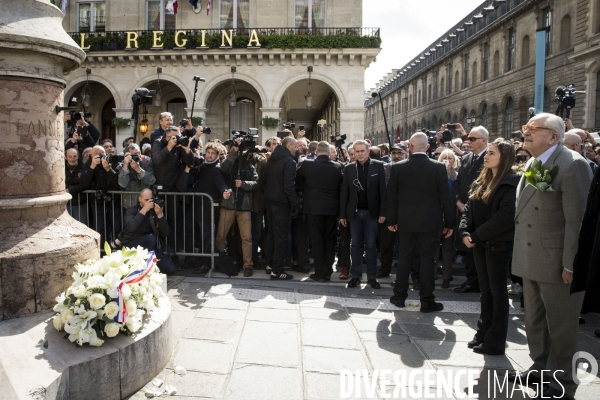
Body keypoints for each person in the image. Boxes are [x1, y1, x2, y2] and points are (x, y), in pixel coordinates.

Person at [509, 113, 593, 399]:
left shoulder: (573, 165)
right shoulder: (536, 161)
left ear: (554, 137)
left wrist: (572, 264)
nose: (526, 132)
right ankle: (540, 367)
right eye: (526, 127)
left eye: (534, 128)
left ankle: (564, 383)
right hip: (532, 259)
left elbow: (577, 222)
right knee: (534, 321)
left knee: (561, 326)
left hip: (557, 263)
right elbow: (536, 203)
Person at [458, 140, 519, 355]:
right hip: (479, 245)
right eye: (487, 153)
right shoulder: (481, 180)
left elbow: (504, 217)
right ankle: (483, 333)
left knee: (498, 293)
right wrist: (465, 232)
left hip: (497, 246)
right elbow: (468, 210)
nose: (486, 156)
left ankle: (495, 341)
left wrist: (475, 235)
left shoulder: (511, 182)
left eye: (491, 153)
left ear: (504, 158)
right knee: (486, 292)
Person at [387, 133, 454, 312]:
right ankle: (427, 300)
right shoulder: (438, 167)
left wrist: (392, 220)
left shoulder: (398, 167)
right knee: (427, 261)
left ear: (410, 146)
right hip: (430, 222)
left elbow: (392, 197)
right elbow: (445, 198)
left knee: (404, 259)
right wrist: (450, 223)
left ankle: (399, 296)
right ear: (427, 147)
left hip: (406, 222)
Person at [339, 140, 387, 289]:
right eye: (356, 151)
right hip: (354, 213)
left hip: (371, 213)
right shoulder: (349, 169)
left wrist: (383, 212)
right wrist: (342, 215)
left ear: (368, 151)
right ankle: (356, 276)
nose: (359, 154)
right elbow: (344, 193)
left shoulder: (378, 166)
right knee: (356, 245)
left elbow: (383, 191)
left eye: (362, 151)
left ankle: (372, 277)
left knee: (371, 245)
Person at [177, 141, 230, 273]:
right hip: (196, 205)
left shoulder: (216, 168)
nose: (210, 155)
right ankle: (200, 260)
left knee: (206, 235)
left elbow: (220, 183)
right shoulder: (202, 165)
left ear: (217, 155)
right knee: (198, 235)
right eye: (208, 152)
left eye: (213, 153)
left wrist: (225, 191)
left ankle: (206, 264)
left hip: (206, 207)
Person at [296, 141, 343, 282]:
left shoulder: (307, 165)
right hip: (332, 209)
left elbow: (296, 181)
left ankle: (320, 271)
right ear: (329, 153)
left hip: (313, 208)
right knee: (330, 240)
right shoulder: (338, 167)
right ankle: (328, 270)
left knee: (316, 241)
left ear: (316, 152)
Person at [215, 139, 259, 277]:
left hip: (244, 205)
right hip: (228, 205)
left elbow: (256, 183)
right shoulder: (228, 162)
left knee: (247, 238)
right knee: (221, 236)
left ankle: (248, 265)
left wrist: (244, 184)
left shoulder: (250, 166)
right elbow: (224, 168)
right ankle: (220, 261)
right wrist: (233, 151)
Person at [454, 124, 489, 293]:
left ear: (484, 141)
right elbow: (459, 182)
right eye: (468, 139)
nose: (469, 142)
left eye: (473, 139)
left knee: (479, 246)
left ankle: (480, 282)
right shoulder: (467, 158)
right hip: (464, 210)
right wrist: (458, 202)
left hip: (481, 211)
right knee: (467, 246)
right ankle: (471, 280)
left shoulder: (490, 158)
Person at [152, 125, 194, 266]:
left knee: (173, 221)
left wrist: (186, 148)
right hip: (159, 189)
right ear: (167, 137)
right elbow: (157, 160)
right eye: (174, 137)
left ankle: (172, 253)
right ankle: (157, 252)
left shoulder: (179, 145)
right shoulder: (158, 142)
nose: (177, 139)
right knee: (157, 221)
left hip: (173, 190)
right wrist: (169, 146)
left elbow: (191, 162)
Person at [263, 137, 300, 280]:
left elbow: (264, 180)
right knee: (281, 237)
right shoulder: (289, 161)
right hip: (281, 204)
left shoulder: (272, 159)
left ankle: (271, 265)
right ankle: (277, 271)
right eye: (295, 146)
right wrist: (295, 204)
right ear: (289, 146)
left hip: (270, 202)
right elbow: (288, 186)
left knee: (272, 235)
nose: (296, 149)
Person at [120, 188, 176, 275]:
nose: (149, 202)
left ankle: (146, 266)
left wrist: (160, 214)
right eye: (146, 200)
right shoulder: (132, 210)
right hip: (132, 244)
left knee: (171, 269)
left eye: (151, 200)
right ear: (140, 199)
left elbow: (166, 233)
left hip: (150, 247)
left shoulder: (154, 211)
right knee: (152, 238)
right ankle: (143, 266)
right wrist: (144, 210)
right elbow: (130, 227)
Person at [81, 145, 121, 246]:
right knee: (99, 230)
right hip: (97, 204)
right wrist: (92, 167)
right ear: (92, 156)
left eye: (102, 154)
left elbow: (117, 183)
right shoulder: (88, 164)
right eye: (97, 155)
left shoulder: (111, 162)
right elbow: (84, 183)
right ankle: (101, 252)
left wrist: (108, 169)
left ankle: (117, 251)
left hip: (113, 202)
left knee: (116, 229)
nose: (100, 157)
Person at [437, 149, 459, 288]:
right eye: (444, 157)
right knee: (433, 247)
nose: (447, 160)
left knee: (447, 248)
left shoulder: (456, 176)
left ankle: (446, 276)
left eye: (450, 158)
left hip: (451, 214)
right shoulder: (435, 173)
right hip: (436, 214)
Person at [118, 143, 156, 209]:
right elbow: (122, 184)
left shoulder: (146, 160)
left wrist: (138, 169)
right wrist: (125, 166)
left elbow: (152, 180)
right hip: (129, 203)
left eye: (138, 153)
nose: (137, 156)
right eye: (133, 154)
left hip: (145, 202)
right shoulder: (123, 163)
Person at [65, 148, 91, 224]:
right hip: (66, 203)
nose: (72, 159)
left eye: (74, 156)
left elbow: (85, 184)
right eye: (70, 156)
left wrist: (70, 189)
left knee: (80, 225)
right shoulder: (62, 167)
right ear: (66, 157)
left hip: (80, 203)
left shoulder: (84, 167)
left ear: (78, 156)